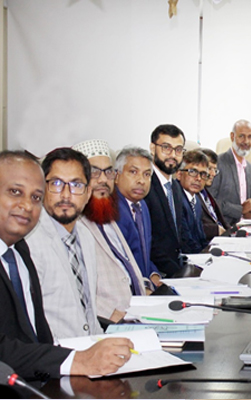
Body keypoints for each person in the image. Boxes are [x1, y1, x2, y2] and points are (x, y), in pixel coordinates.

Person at [0, 150, 133, 381]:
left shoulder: (19, 251)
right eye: (15, 192)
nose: (26, 205)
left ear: (88, 192)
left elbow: (37, 331)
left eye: (35, 197)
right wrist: (76, 360)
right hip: (51, 369)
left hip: (60, 369)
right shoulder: (30, 243)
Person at [26, 148, 102, 338]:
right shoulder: (28, 242)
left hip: (91, 346)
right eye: (56, 183)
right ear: (42, 188)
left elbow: (89, 312)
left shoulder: (86, 236)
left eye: (76, 185)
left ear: (88, 193)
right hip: (53, 352)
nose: (66, 195)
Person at [72, 140, 147, 324]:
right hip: (106, 322)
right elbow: (70, 286)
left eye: (108, 172)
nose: (103, 180)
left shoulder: (108, 215)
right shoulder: (73, 224)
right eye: (94, 172)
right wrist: (109, 313)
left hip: (135, 314)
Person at [113, 147, 162, 285]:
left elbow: (143, 255)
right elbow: (120, 264)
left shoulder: (142, 206)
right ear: (116, 176)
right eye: (133, 172)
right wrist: (145, 286)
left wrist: (154, 274)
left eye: (146, 174)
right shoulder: (113, 210)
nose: (141, 180)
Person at [144, 124, 186, 277]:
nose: (173, 155)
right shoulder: (145, 185)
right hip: (156, 273)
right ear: (152, 148)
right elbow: (150, 243)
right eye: (166, 148)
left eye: (178, 149)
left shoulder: (175, 186)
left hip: (176, 267)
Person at [209, 120, 251, 225]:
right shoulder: (218, 163)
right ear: (232, 137)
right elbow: (210, 200)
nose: (246, 141)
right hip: (225, 226)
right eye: (241, 136)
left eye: (250, 137)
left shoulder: (250, 169)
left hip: (248, 225)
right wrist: (240, 210)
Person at [176, 150, 209, 253]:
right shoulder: (176, 199)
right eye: (193, 172)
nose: (198, 178)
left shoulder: (197, 200)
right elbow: (185, 241)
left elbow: (201, 236)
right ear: (179, 174)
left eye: (203, 174)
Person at [199, 148, 231, 240]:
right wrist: (215, 230)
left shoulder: (206, 193)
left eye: (215, 170)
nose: (213, 174)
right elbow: (192, 227)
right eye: (209, 169)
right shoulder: (190, 195)